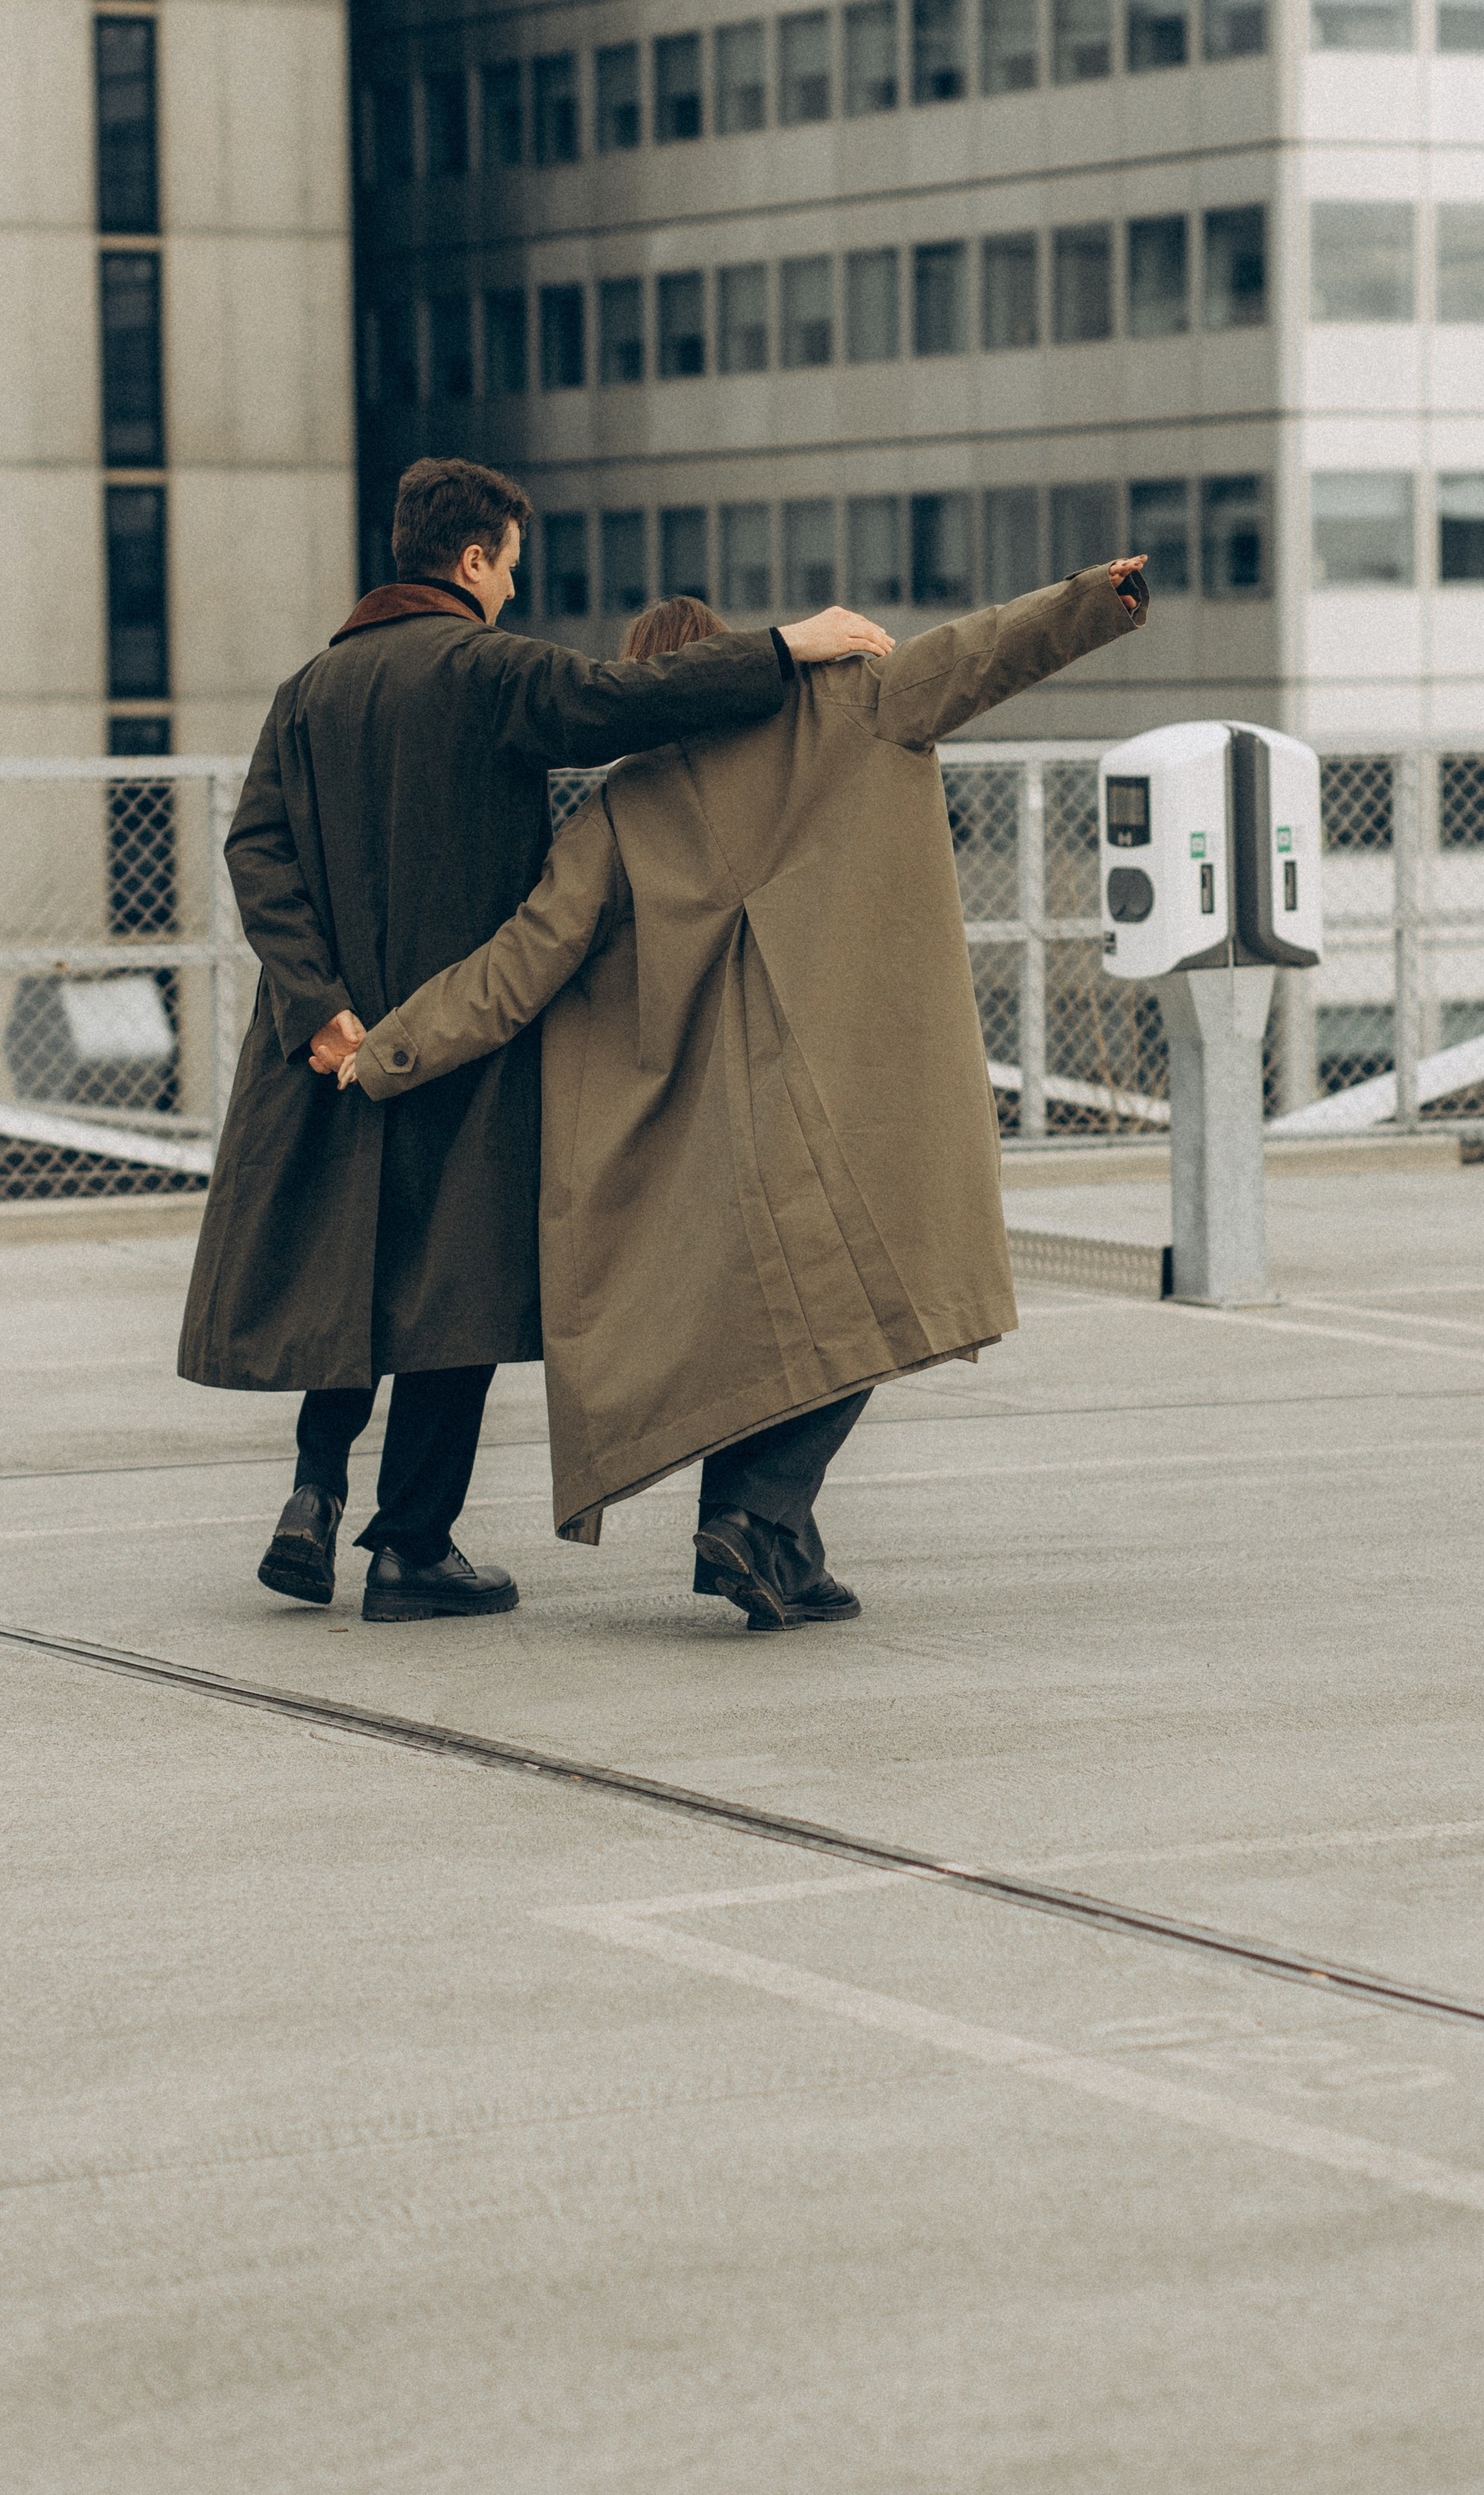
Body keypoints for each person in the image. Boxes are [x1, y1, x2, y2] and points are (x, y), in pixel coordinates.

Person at [337, 553, 1149, 1628]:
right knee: (875, 1309)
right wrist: (1095, 596)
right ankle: (756, 1514)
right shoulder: (843, 707)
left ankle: (776, 1544)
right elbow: (979, 653)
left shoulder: (617, 815)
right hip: (849, 1092)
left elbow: (515, 969)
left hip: (707, 1127)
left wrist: (383, 1051)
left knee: (760, 1332)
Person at [176, 456, 894, 1622]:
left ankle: (311, 1498)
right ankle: (411, 1546)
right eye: (510, 564)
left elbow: (255, 848)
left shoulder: (308, 688)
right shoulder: (487, 671)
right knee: (445, 1294)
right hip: (460, 1030)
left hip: (333, 1037)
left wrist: (316, 1004)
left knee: (340, 1273)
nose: (514, 587)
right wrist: (784, 647)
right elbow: (627, 702)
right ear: (471, 560)